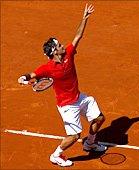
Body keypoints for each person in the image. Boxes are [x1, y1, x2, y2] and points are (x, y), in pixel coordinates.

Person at [18, 4, 107, 167]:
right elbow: (32, 75)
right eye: (58, 46)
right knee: (74, 136)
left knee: (99, 118)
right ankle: (56, 155)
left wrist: (84, 18)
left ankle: (90, 144)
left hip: (79, 97)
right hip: (67, 106)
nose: (62, 46)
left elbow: (78, 36)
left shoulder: (68, 54)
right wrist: (23, 78)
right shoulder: (47, 68)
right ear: (54, 52)